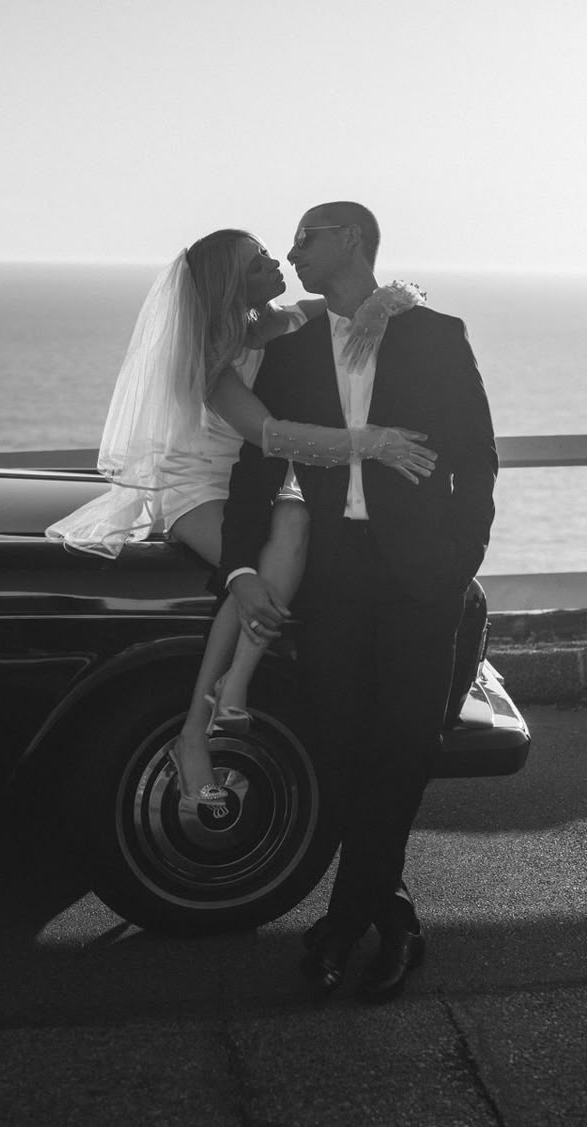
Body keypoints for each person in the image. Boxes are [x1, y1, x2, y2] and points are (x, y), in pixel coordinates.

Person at [47, 228, 438, 809]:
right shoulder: (206, 354)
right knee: (248, 569)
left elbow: (392, 296)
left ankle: (234, 685)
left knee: (298, 523)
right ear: (234, 283)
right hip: (194, 488)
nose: (276, 260)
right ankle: (196, 728)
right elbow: (267, 435)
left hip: (251, 488)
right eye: (259, 261)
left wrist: (383, 308)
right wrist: (370, 443)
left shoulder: (288, 320)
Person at [218, 201, 497, 1001]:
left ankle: (343, 925)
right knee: (339, 746)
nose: (295, 249)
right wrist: (240, 565)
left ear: (352, 240)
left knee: (404, 744)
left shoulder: (437, 334)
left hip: (421, 579)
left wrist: (457, 564)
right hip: (334, 574)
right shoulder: (294, 342)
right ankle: (390, 912)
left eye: (308, 236)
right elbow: (259, 461)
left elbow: (477, 462)